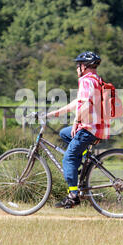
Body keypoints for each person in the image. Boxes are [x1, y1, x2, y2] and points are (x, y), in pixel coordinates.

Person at [46, 51, 109, 209]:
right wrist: (54, 113)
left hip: (89, 128)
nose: (76, 69)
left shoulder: (86, 81)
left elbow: (86, 104)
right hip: (98, 127)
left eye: (78, 65)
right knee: (64, 133)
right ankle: (81, 160)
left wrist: (77, 121)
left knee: (68, 159)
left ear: (85, 66)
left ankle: (73, 195)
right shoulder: (96, 80)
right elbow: (78, 102)